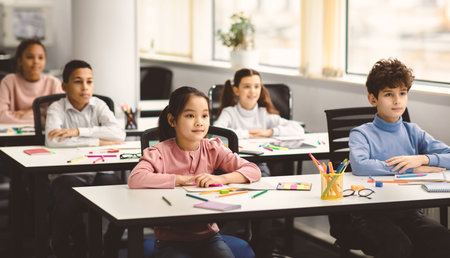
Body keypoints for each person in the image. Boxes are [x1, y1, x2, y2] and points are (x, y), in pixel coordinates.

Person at [128, 86, 261, 258]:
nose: (199, 122)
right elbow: (136, 178)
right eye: (190, 115)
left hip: (208, 236)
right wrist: (182, 179)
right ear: (172, 120)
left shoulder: (213, 148)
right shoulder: (159, 152)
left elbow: (253, 170)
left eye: (204, 115)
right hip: (171, 239)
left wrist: (221, 178)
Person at [344, 58, 450, 258]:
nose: (397, 100)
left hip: (408, 212)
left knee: (442, 238)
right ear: (373, 99)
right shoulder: (361, 133)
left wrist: (422, 160)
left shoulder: (413, 131)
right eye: (388, 94)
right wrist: (411, 168)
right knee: (397, 246)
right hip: (370, 214)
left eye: (402, 93)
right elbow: (360, 165)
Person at [45, 60, 126, 258]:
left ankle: (110, 245)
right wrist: (97, 142)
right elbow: (53, 140)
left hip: (99, 171)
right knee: (68, 194)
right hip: (67, 174)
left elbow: (118, 134)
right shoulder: (56, 108)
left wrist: (77, 132)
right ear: (64, 86)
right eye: (78, 82)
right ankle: (64, 245)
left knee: (121, 195)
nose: (85, 87)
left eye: (89, 82)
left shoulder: (99, 105)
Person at [214, 68, 304, 177]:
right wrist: (249, 134)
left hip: (258, 164)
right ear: (236, 90)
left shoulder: (264, 113)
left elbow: (298, 130)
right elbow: (216, 133)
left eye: (256, 86)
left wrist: (269, 132)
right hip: (232, 164)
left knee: (264, 179)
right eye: (247, 86)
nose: (252, 91)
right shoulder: (229, 112)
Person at [0, 38, 63, 123]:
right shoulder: (8, 82)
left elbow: (61, 116)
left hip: (44, 134)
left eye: (40, 58)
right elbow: (2, 117)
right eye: (30, 57)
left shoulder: (53, 83)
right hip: (14, 133)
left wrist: (23, 114)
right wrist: (41, 115)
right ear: (20, 61)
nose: (36, 61)